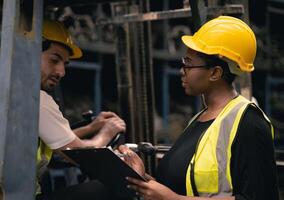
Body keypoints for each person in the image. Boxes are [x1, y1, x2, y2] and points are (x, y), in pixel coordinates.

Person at [118, 16, 279, 200]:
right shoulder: (198, 120)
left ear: (215, 73)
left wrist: (171, 199)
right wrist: (143, 179)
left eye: (188, 63)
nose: (182, 70)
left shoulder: (249, 123)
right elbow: (179, 189)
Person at [36, 20, 126, 199]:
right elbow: (81, 155)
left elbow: (57, 143)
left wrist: (90, 128)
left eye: (64, 64)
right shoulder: (35, 98)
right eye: (54, 60)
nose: (61, 72)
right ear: (29, 52)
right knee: (119, 187)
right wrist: (106, 133)